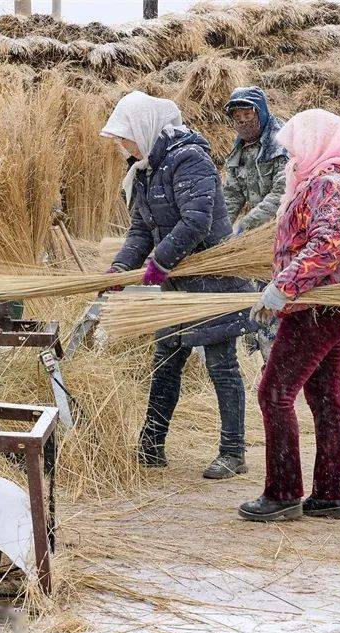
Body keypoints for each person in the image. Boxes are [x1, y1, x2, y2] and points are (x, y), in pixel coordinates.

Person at [101, 91, 256, 480]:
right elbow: (141, 228)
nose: (122, 144)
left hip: (214, 279)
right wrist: (121, 270)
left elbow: (197, 221)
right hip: (178, 283)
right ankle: (152, 444)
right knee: (167, 361)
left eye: (125, 136)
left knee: (222, 364)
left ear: (144, 128)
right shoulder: (145, 169)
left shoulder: (188, 158)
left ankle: (233, 452)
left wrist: (157, 264)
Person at [238, 109, 340, 522]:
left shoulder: (330, 185)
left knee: (273, 393)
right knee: (323, 396)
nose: (292, 155)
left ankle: (283, 493)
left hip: (316, 307)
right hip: (326, 306)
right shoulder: (330, 183)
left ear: (318, 143)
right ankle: (331, 494)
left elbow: (326, 246)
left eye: (297, 146)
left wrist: (282, 287)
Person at [222, 86, 288, 361]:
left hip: (285, 230)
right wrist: (222, 231)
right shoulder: (240, 150)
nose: (242, 120)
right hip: (256, 238)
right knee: (252, 292)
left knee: (274, 295)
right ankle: (256, 353)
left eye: (247, 113)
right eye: (236, 115)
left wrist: (246, 224)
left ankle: (275, 360)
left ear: (260, 112)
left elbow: (282, 192)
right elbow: (232, 194)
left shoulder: (281, 143)